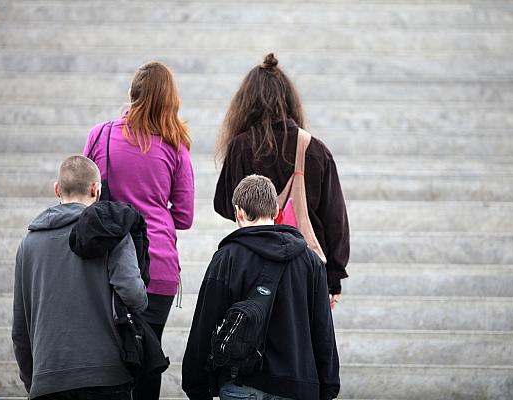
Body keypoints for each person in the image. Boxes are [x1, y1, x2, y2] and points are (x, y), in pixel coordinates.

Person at [83, 61, 195, 399]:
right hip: (156, 267)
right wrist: (152, 212)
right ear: (169, 101)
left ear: (132, 94)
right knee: (148, 355)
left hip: (104, 262)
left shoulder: (100, 135)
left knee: (109, 357)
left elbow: (85, 198)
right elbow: (186, 216)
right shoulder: (176, 147)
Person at [182, 175, 340, 400]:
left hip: (242, 383)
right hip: (298, 384)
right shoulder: (310, 261)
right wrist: (328, 385)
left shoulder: (227, 258)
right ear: (276, 211)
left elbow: (204, 323)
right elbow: (322, 328)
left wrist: (195, 385)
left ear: (239, 212)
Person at [213, 53, 349, 308]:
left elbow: (222, 203)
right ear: (289, 101)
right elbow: (335, 218)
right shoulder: (315, 150)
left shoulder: (241, 147)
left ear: (246, 104)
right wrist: (334, 277)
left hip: (252, 264)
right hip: (306, 268)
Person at [12, 155, 148, 399]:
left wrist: (33, 381)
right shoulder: (113, 233)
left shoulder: (28, 244)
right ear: (96, 189)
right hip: (107, 376)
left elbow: (20, 328)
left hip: (48, 378)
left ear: (57, 189)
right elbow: (135, 297)